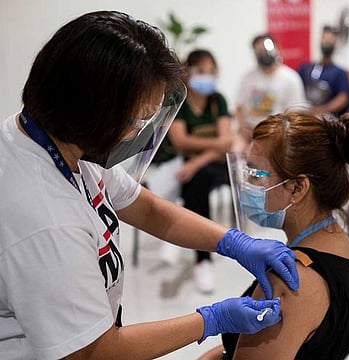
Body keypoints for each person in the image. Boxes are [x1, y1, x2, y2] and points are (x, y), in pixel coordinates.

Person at [0, 11, 301, 360]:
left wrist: (232, 242)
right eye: (139, 119)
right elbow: (94, 352)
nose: (141, 132)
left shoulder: (63, 142)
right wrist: (212, 319)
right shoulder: (44, 221)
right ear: (93, 113)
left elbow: (146, 208)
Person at [200, 111, 349, 359]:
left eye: (256, 174)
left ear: (297, 188)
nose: (248, 184)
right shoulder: (340, 241)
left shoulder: (287, 283)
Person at [166, 49, 233, 294]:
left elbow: (227, 144)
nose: (208, 76)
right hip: (189, 166)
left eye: (212, 71)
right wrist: (216, 144)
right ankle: (202, 256)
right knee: (193, 182)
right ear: (187, 72)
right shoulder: (179, 102)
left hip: (215, 165)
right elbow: (179, 141)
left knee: (197, 178)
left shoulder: (218, 100)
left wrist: (196, 160)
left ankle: (181, 237)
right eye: (201, 71)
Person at [234, 33, 306, 152]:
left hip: (278, 135)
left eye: (266, 49)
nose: (263, 54)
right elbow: (239, 107)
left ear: (277, 48)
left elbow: (295, 113)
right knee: (235, 153)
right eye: (259, 51)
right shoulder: (248, 78)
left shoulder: (290, 78)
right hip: (251, 133)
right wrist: (243, 130)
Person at [297, 25, 349, 115]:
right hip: (305, 115)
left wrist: (321, 110)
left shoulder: (340, 73)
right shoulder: (305, 69)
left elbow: (343, 98)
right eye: (325, 38)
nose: (327, 42)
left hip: (328, 118)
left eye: (330, 40)